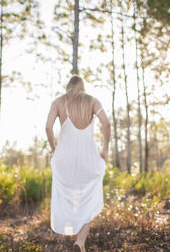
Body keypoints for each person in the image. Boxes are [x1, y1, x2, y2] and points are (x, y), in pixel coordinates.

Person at [45, 75, 111, 252]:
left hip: (64, 159)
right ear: (83, 87)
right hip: (88, 159)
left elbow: (48, 127)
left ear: (68, 87)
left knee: (68, 198)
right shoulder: (92, 101)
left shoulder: (59, 102)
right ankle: (80, 242)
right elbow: (106, 122)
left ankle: (72, 235)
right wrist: (105, 149)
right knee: (88, 200)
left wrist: (54, 148)